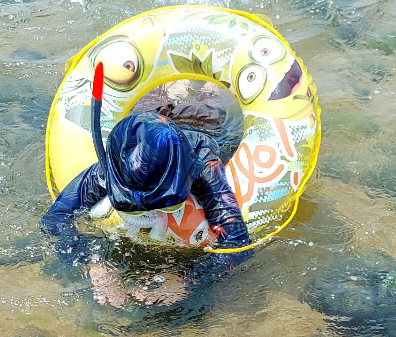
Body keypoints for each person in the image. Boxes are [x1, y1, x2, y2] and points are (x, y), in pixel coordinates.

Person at [40, 111, 253, 307]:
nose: (150, 214)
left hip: (206, 125)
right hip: (155, 131)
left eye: (164, 205)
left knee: (208, 113)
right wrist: (92, 264)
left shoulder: (203, 165)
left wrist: (187, 279)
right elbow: (54, 220)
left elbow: (237, 244)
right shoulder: (109, 169)